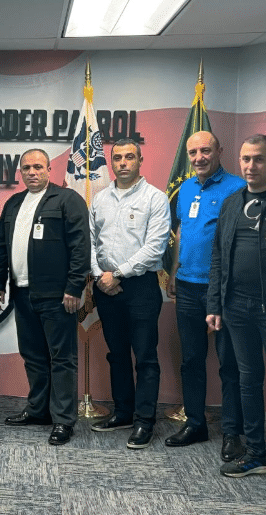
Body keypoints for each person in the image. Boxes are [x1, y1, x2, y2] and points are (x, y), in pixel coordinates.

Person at [205, 135, 266, 485]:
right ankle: (257, 455)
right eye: (245, 159)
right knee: (248, 380)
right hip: (235, 307)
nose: (250, 166)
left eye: (258, 159)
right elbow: (218, 256)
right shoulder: (232, 203)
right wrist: (215, 304)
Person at [0, 148, 90, 446]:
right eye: (26, 168)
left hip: (58, 296)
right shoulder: (13, 203)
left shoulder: (67, 200)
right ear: (20, 172)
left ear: (49, 169)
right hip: (22, 293)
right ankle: (38, 410)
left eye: (38, 167)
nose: (32, 172)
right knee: (33, 356)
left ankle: (63, 420)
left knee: (62, 358)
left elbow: (81, 247)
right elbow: (1, 247)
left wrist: (74, 287)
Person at [165, 131, 246, 461]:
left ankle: (232, 432)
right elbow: (182, 230)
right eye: (193, 152)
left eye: (205, 151)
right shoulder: (186, 188)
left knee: (230, 363)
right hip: (187, 286)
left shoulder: (238, 187)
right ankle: (195, 423)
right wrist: (174, 270)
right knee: (191, 360)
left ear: (219, 151)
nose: (199, 157)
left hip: (223, 289)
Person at [86, 139, 169, 449]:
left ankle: (144, 420)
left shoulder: (155, 198)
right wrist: (99, 275)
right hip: (105, 286)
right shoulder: (100, 199)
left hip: (140, 287)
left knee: (145, 356)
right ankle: (122, 412)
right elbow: (89, 241)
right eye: (117, 157)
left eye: (129, 157)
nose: (123, 162)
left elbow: (155, 247)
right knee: (117, 353)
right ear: (111, 162)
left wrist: (117, 274)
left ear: (140, 160)